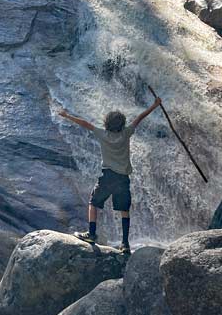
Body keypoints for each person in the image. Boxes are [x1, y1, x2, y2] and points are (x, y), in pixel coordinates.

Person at [58, 95, 162, 255]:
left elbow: (85, 124)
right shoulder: (126, 133)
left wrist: (67, 116)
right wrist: (155, 105)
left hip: (107, 177)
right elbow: (140, 118)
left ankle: (91, 234)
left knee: (94, 202)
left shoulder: (102, 134)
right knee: (124, 210)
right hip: (123, 179)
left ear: (107, 124)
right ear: (122, 124)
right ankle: (125, 244)